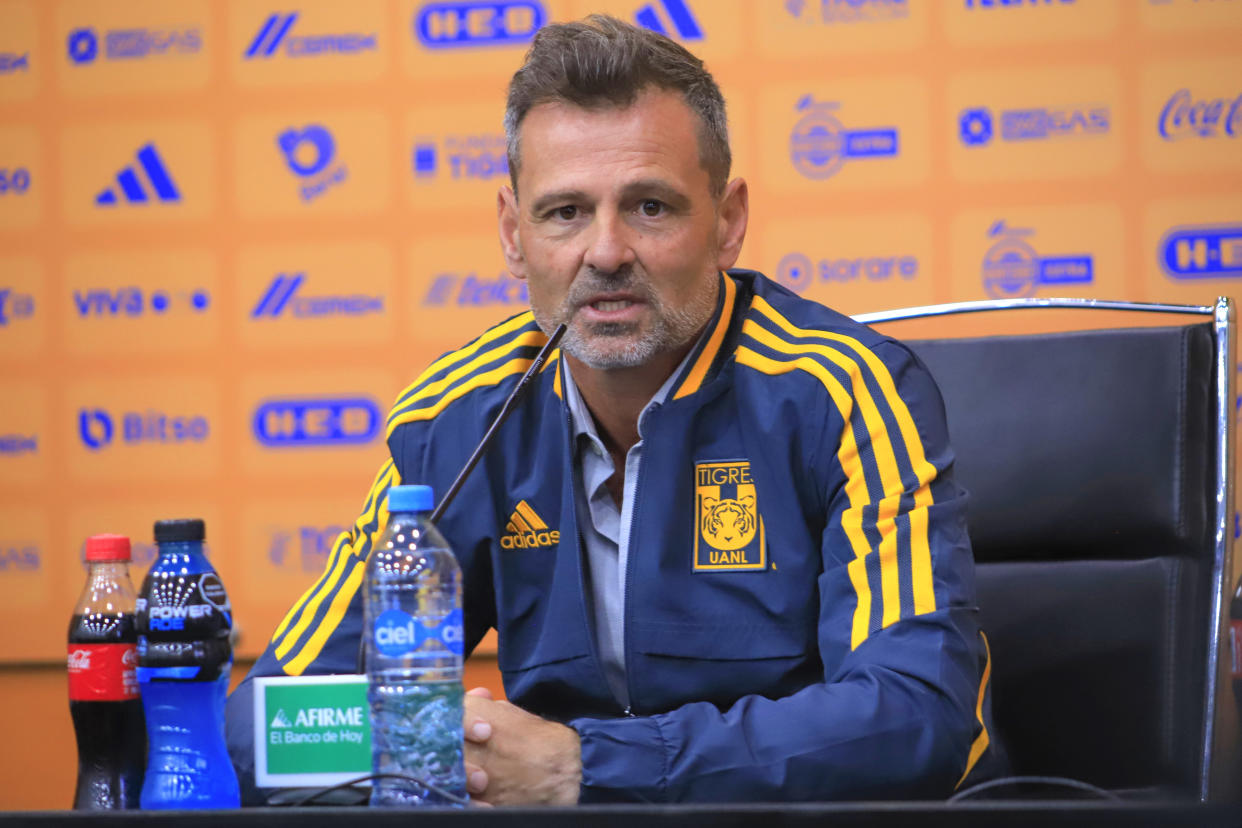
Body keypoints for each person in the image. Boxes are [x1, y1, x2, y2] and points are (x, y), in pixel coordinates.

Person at [226, 14, 1003, 805]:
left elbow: (916, 716)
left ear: (727, 222)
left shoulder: (846, 393)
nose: (604, 253)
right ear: (512, 233)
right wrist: (457, 747)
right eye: (564, 212)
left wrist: (582, 766)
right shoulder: (457, 419)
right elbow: (266, 723)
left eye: (650, 208)